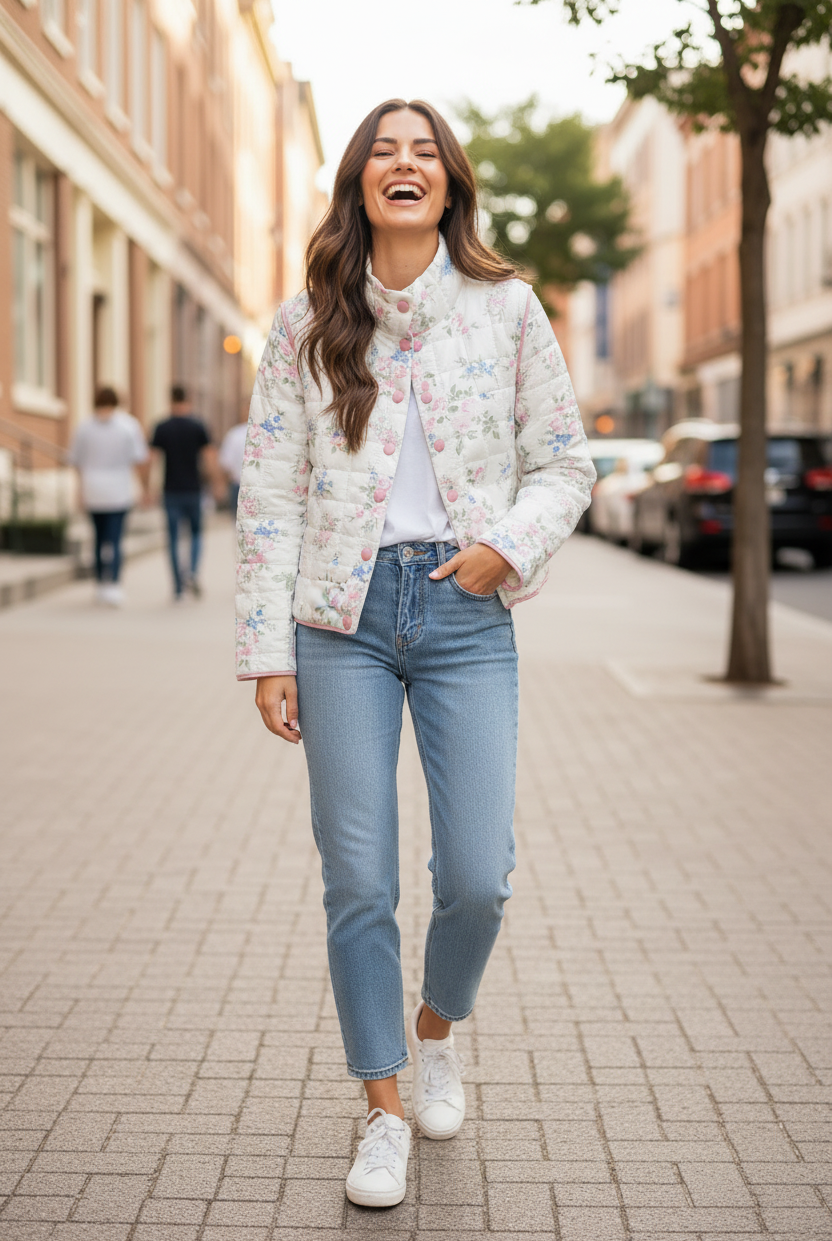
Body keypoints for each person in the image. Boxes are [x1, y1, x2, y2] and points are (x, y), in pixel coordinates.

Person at [235, 99, 595, 1208]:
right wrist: (267, 650)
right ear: (360, 182)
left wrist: (505, 548)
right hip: (336, 621)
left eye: (424, 151)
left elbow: (566, 462)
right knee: (358, 879)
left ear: (448, 184)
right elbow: (270, 495)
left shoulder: (506, 307)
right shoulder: (305, 323)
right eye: (384, 151)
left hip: (462, 609)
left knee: (478, 875)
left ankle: (436, 1029)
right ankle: (382, 1107)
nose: (404, 163)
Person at [69, 386, 149, 607]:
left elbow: (77, 462)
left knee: (98, 538)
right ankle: (113, 584)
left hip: (93, 490)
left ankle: (100, 584)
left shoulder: (84, 427)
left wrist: (79, 491)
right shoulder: (128, 425)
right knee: (114, 539)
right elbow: (139, 459)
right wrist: (144, 488)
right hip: (118, 491)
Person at [150, 386, 216, 600]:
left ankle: (178, 586)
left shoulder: (162, 427)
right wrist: (215, 483)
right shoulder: (198, 426)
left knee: (173, 539)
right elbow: (209, 457)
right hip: (193, 489)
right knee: (196, 534)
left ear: (170, 401)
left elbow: (152, 459)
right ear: (188, 401)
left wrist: (147, 488)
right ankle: (192, 572)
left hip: (170, 490)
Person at [218, 407, 248, 515]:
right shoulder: (266, 434)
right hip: (257, 485)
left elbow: (226, 463)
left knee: (237, 520)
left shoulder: (234, 434)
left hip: (238, 483)